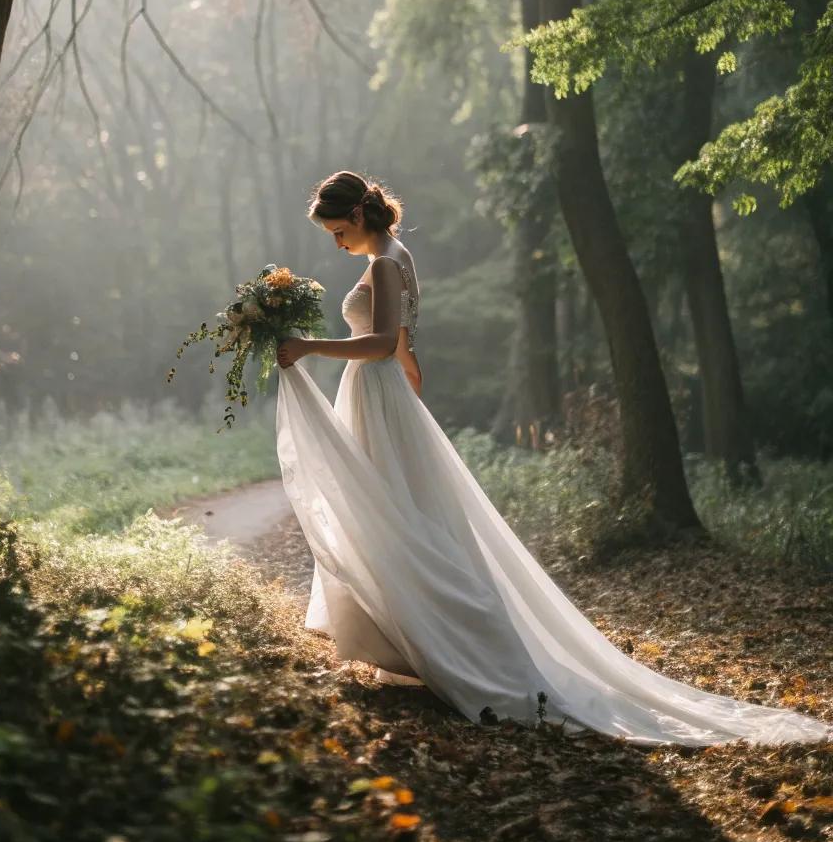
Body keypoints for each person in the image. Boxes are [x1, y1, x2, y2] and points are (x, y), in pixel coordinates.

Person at [275, 169, 832, 747]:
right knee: (396, 514)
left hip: (376, 389)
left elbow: (383, 341)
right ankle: (402, 639)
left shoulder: (386, 263)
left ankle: (450, 643)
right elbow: (409, 351)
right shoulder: (397, 256)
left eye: (338, 231)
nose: (337, 243)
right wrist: (411, 398)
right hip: (382, 397)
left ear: (359, 217)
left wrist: (310, 346)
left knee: (397, 519)